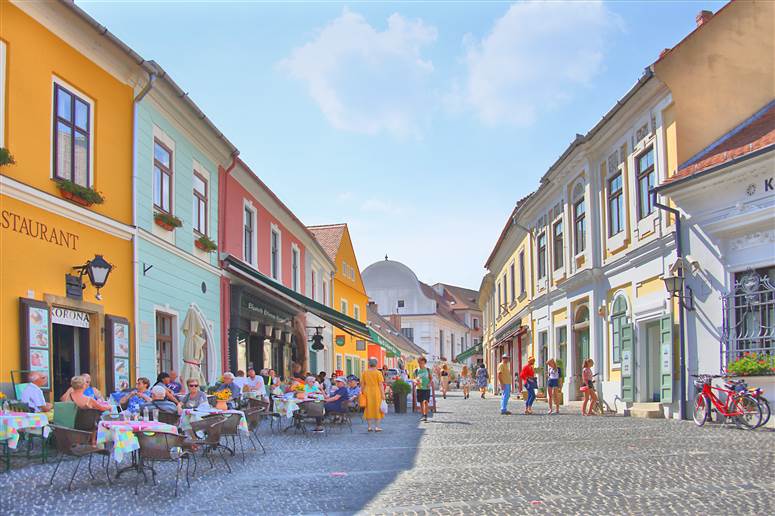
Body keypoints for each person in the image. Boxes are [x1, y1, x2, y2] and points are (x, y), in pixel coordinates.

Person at [362, 358, 386, 432]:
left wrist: (362, 392)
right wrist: (383, 394)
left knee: (368, 408)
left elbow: (362, 384)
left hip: (367, 391)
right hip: (376, 392)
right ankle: (377, 427)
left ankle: (369, 427)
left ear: (369, 364)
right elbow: (380, 384)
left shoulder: (365, 372)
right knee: (377, 408)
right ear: (376, 364)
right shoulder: (378, 373)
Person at [413, 357, 433, 423]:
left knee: (425, 401)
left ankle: (425, 415)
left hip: (426, 388)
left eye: (422, 363)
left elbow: (430, 378)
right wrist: (416, 382)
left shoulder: (428, 370)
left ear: (425, 363)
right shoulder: (416, 370)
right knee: (421, 402)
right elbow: (414, 379)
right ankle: (423, 415)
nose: (421, 364)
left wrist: (429, 383)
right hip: (419, 388)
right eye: (419, 363)